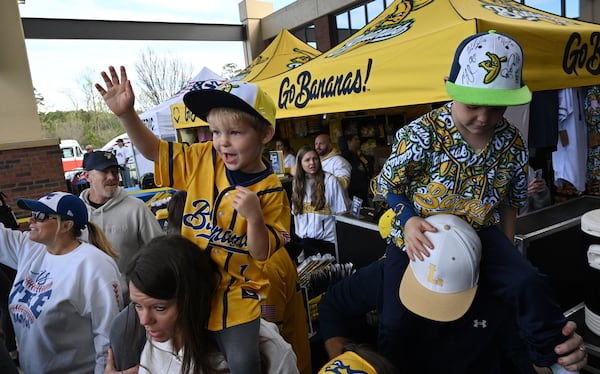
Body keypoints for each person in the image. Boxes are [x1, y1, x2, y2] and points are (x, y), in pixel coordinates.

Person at [375, 30, 578, 372]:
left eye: (496, 107)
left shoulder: (512, 142)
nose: (484, 117)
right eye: (472, 105)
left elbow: (511, 201)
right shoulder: (420, 133)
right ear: (449, 87)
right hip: (417, 235)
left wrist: (509, 250)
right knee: (395, 320)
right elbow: (388, 185)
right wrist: (408, 220)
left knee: (528, 282)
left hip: (480, 232)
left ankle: (550, 360)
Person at [96, 68, 291, 374]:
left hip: (235, 295)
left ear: (265, 134)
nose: (222, 142)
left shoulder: (272, 192)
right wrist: (127, 115)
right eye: (215, 132)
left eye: (235, 132)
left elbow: (262, 253)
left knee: (244, 362)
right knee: (125, 327)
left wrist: (254, 218)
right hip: (185, 282)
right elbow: (155, 152)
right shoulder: (203, 158)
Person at [317, 214, 588, 373]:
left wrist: (559, 357)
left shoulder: (503, 293)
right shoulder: (388, 273)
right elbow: (332, 306)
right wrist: (345, 360)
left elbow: (525, 361)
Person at [104, 235, 299, 374]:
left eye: (160, 308)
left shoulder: (268, 349)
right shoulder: (157, 337)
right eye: (137, 306)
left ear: (192, 299)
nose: (145, 320)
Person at [0, 191, 122, 374]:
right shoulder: (31, 248)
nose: (31, 221)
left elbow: (108, 336)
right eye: (32, 215)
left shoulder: (94, 265)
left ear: (66, 225)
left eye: (40, 216)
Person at [80, 151, 164, 293]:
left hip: (128, 299)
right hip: (86, 300)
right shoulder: (75, 211)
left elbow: (160, 250)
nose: (112, 177)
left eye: (115, 171)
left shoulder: (136, 208)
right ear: (87, 176)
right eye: (104, 172)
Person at [291, 145, 349, 258]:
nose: (312, 163)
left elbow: (342, 214)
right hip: (305, 242)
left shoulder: (331, 181)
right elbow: (296, 216)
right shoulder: (297, 184)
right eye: (307, 160)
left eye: (315, 158)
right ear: (300, 163)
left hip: (328, 243)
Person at [342, 134, 374, 204]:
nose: (358, 141)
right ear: (349, 142)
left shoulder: (360, 156)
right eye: (355, 139)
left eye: (358, 139)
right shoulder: (346, 157)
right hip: (354, 192)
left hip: (364, 191)